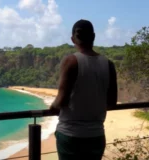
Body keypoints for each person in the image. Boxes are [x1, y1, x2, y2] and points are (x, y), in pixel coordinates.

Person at [50, 19, 118, 160]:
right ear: (93, 37)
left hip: (70, 135)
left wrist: (52, 107)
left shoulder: (71, 61)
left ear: (73, 39)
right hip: (96, 135)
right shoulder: (109, 64)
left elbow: (61, 100)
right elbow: (112, 102)